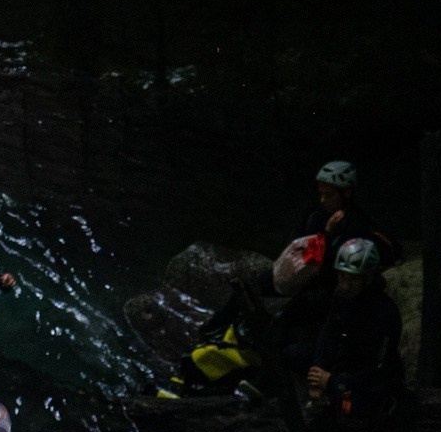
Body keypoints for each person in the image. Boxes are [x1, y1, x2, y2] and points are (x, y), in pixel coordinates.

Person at [158, 159, 396, 398]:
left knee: (282, 330)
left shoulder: (357, 225)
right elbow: (300, 242)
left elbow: (383, 250)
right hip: (305, 281)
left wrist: (338, 236)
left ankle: (261, 385)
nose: (323, 200)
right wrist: (323, 234)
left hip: (323, 292)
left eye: (329, 195)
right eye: (321, 194)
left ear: (346, 194)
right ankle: (214, 329)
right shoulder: (318, 217)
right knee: (252, 287)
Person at [280, 236, 406, 432]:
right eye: (342, 276)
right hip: (343, 363)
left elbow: (377, 369)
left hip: (368, 378)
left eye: (353, 279)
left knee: (361, 405)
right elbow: (329, 335)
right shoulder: (343, 298)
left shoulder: (384, 313)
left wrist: (332, 382)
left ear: (367, 278)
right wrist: (317, 372)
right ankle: (311, 405)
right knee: (292, 354)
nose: (345, 284)